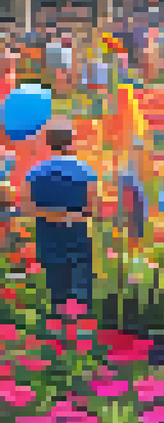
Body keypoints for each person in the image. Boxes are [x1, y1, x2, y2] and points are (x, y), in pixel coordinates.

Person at [22, 120, 100, 315]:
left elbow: (27, 208)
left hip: (48, 234)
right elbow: (93, 208)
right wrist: (71, 215)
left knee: (56, 284)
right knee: (80, 283)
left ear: (49, 143)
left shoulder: (34, 173)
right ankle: (81, 331)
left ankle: (59, 330)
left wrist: (54, 214)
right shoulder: (85, 171)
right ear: (71, 142)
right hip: (77, 232)